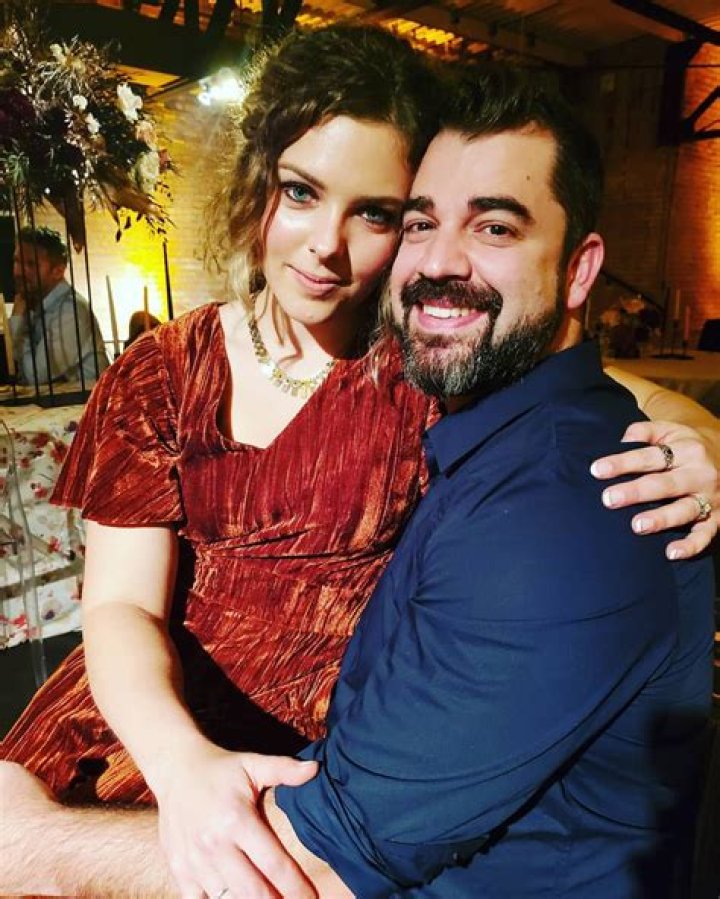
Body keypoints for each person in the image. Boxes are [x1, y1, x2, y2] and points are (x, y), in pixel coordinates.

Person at [0, 31, 718, 899]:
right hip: (153, 719)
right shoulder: (168, 369)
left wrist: (702, 440)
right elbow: (120, 604)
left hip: (330, 750)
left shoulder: (428, 351)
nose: (324, 246)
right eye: (301, 193)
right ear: (257, 183)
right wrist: (181, 764)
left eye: (375, 213)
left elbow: (604, 389)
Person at [9, 226, 110, 385]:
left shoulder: (71, 311)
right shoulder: (36, 305)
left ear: (58, 271)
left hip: (85, 399)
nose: (18, 272)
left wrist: (17, 321)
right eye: (16, 261)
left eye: (31, 264)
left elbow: (34, 377)